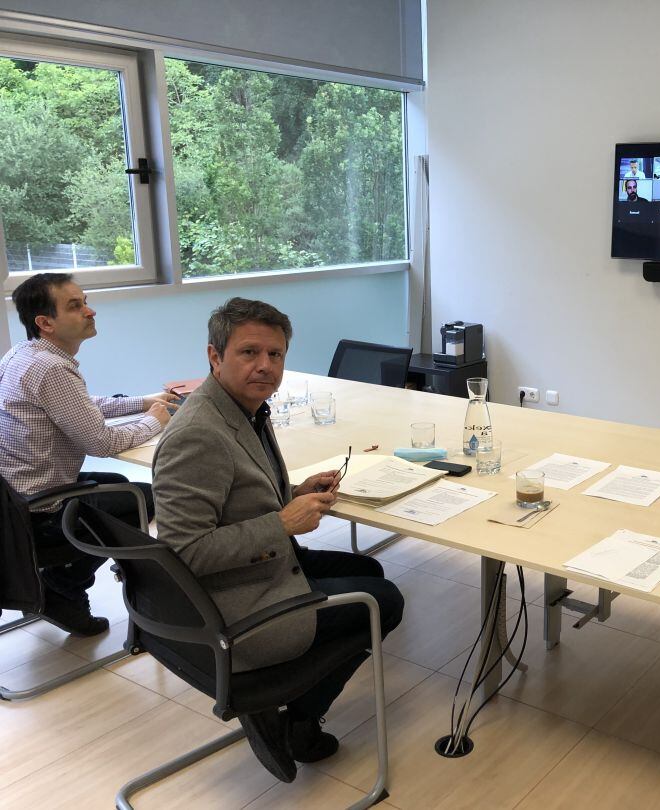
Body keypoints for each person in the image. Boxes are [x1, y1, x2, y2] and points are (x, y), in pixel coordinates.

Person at [152, 297, 404, 784]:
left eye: (276, 354)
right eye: (249, 352)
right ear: (214, 356)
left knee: (369, 572)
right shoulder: (198, 434)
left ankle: (292, 699)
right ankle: (295, 719)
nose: (265, 366)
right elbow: (184, 554)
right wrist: (282, 523)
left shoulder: (240, 411)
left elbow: (236, 497)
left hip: (259, 564)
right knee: (384, 601)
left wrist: (295, 493)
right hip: (235, 600)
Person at [0, 273, 176, 636]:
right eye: (75, 306)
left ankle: (60, 583)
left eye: (84, 301)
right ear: (45, 323)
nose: (90, 311)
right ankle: (63, 587)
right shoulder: (51, 368)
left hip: (11, 502)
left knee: (120, 486)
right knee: (146, 499)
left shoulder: (22, 354)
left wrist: (141, 401)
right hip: (37, 511)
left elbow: (79, 406)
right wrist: (153, 421)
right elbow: (102, 444)